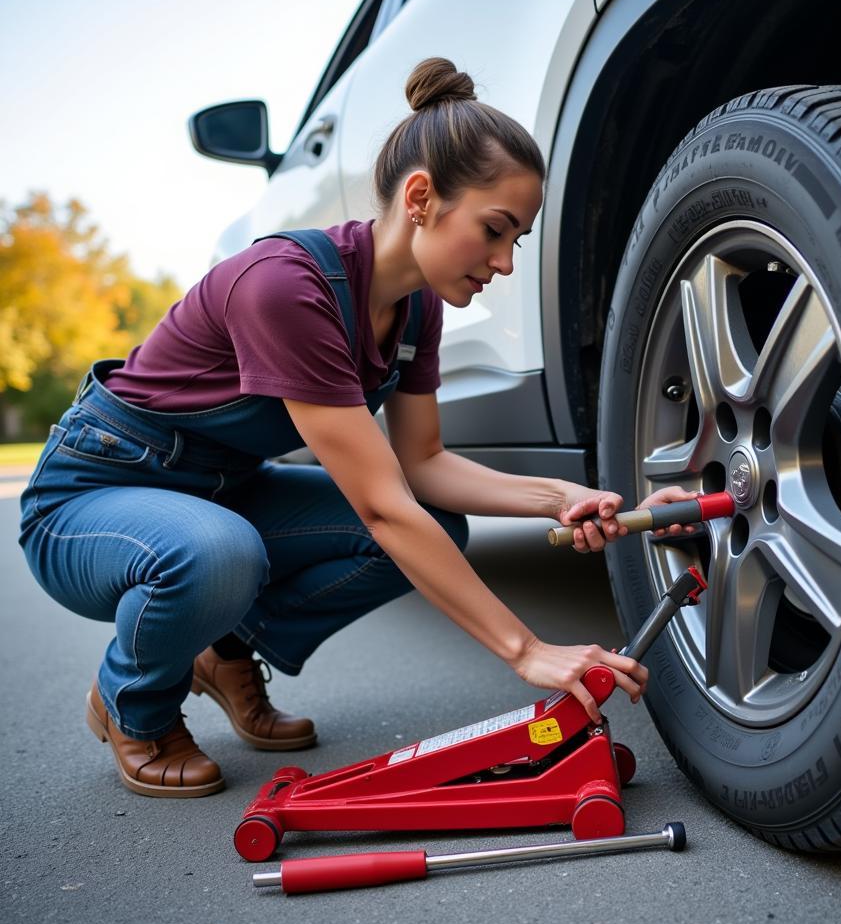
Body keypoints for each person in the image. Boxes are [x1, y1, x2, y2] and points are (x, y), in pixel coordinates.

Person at [18, 57, 693, 799]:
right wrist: (525, 649)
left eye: (516, 242)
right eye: (494, 230)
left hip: (219, 491)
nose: (503, 262)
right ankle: (133, 703)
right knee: (221, 553)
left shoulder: (416, 310)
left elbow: (425, 468)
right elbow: (380, 502)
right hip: (90, 497)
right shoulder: (284, 287)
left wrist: (567, 496)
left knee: (438, 522)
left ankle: (225, 645)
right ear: (421, 197)